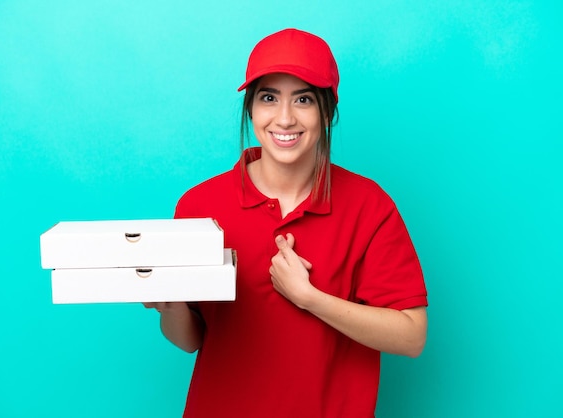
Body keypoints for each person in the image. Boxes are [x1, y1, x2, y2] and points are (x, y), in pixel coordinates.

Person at [144, 28, 428, 417]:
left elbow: (412, 336)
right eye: (269, 97)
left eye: (304, 99)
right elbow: (190, 340)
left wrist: (310, 298)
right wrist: (171, 307)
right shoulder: (200, 205)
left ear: (327, 112)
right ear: (251, 109)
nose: (284, 117)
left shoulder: (369, 205)